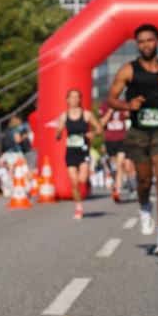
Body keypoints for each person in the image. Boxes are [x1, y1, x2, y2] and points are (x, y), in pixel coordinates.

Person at [107, 24, 158, 259]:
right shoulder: (128, 71)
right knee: (144, 181)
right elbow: (111, 98)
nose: (145, 45)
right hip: (139, 132)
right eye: (141, 41)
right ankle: (145, 207)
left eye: (149, 40)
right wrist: (127, 105)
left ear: (157, 42)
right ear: (137, 45)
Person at [54, 88, 103, 219]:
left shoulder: (86, 115)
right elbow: (58, 132)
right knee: (74, 182)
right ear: (67, 100)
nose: (75, 99)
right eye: (72, 97)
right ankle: (78, 206)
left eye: (77, 97)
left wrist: (92, 133)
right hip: (71, 152)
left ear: (80, 99)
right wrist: (58, 133)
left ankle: (87, 182)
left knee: (82, 179)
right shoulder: (64, 116)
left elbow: (99, 128)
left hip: (83, 151)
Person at [99, 102, 130, 202]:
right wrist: (110, 111)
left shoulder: (122, 104)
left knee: (120, 163)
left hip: (122, 139)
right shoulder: (104, 106)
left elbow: (129, 115)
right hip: (110, 140)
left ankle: (118, 190)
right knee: (114, 167)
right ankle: (114, 182)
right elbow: (101, 124)